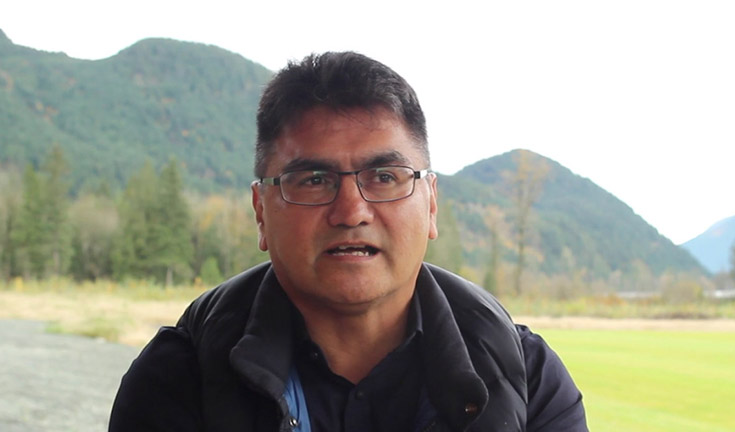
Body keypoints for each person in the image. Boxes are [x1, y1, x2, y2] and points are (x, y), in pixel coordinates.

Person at [109, 51, 587, 432]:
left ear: (432, 203)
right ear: (260, 211)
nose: (351, 211)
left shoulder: (526, 376)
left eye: (384, 176)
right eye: (313, 180)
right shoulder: (180, 377)